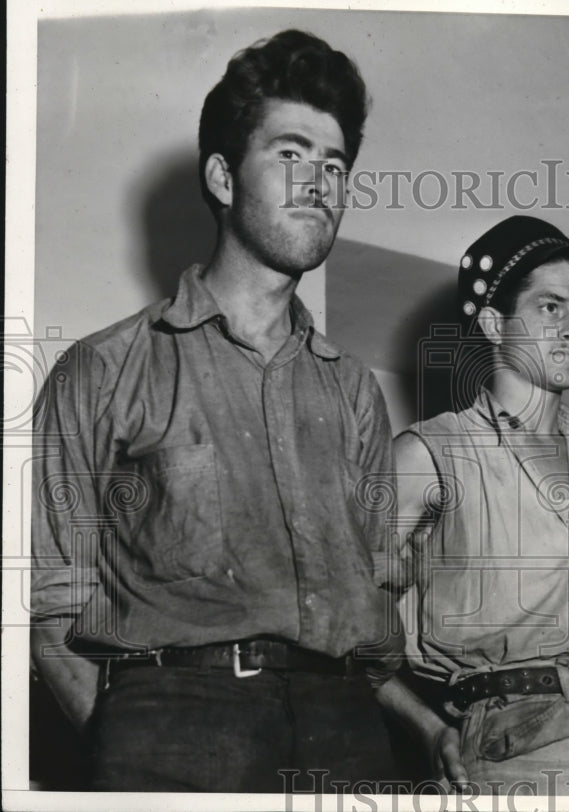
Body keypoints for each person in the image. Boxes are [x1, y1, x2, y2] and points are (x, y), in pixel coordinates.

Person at [31, 30, 401, 792]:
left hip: (348, 729)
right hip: (173, 725)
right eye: (291, 154)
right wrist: (124, 743)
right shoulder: (102, 370)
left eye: (335, 165)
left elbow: (384, 593)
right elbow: (48, 607)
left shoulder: (357, 392)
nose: (320, 184)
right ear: (224, 179)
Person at [374, 215, 569, 798]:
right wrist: (427, 726)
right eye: (550, 307)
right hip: (511, 754)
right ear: (491, 323)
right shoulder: (430, 453)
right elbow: (342, 619)